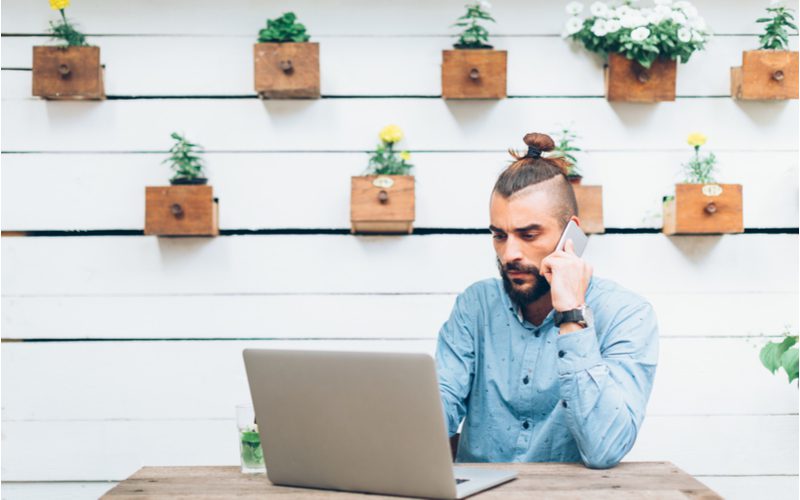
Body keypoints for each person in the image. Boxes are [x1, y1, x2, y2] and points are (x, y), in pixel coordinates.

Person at [435, 132, 659, 469]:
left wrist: (571, 314)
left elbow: (606, 449)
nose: (509, 253)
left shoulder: (628, 315)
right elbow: (438, 408)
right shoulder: (475, 306)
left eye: (529, 235)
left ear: (571, 234)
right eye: (499, 235)